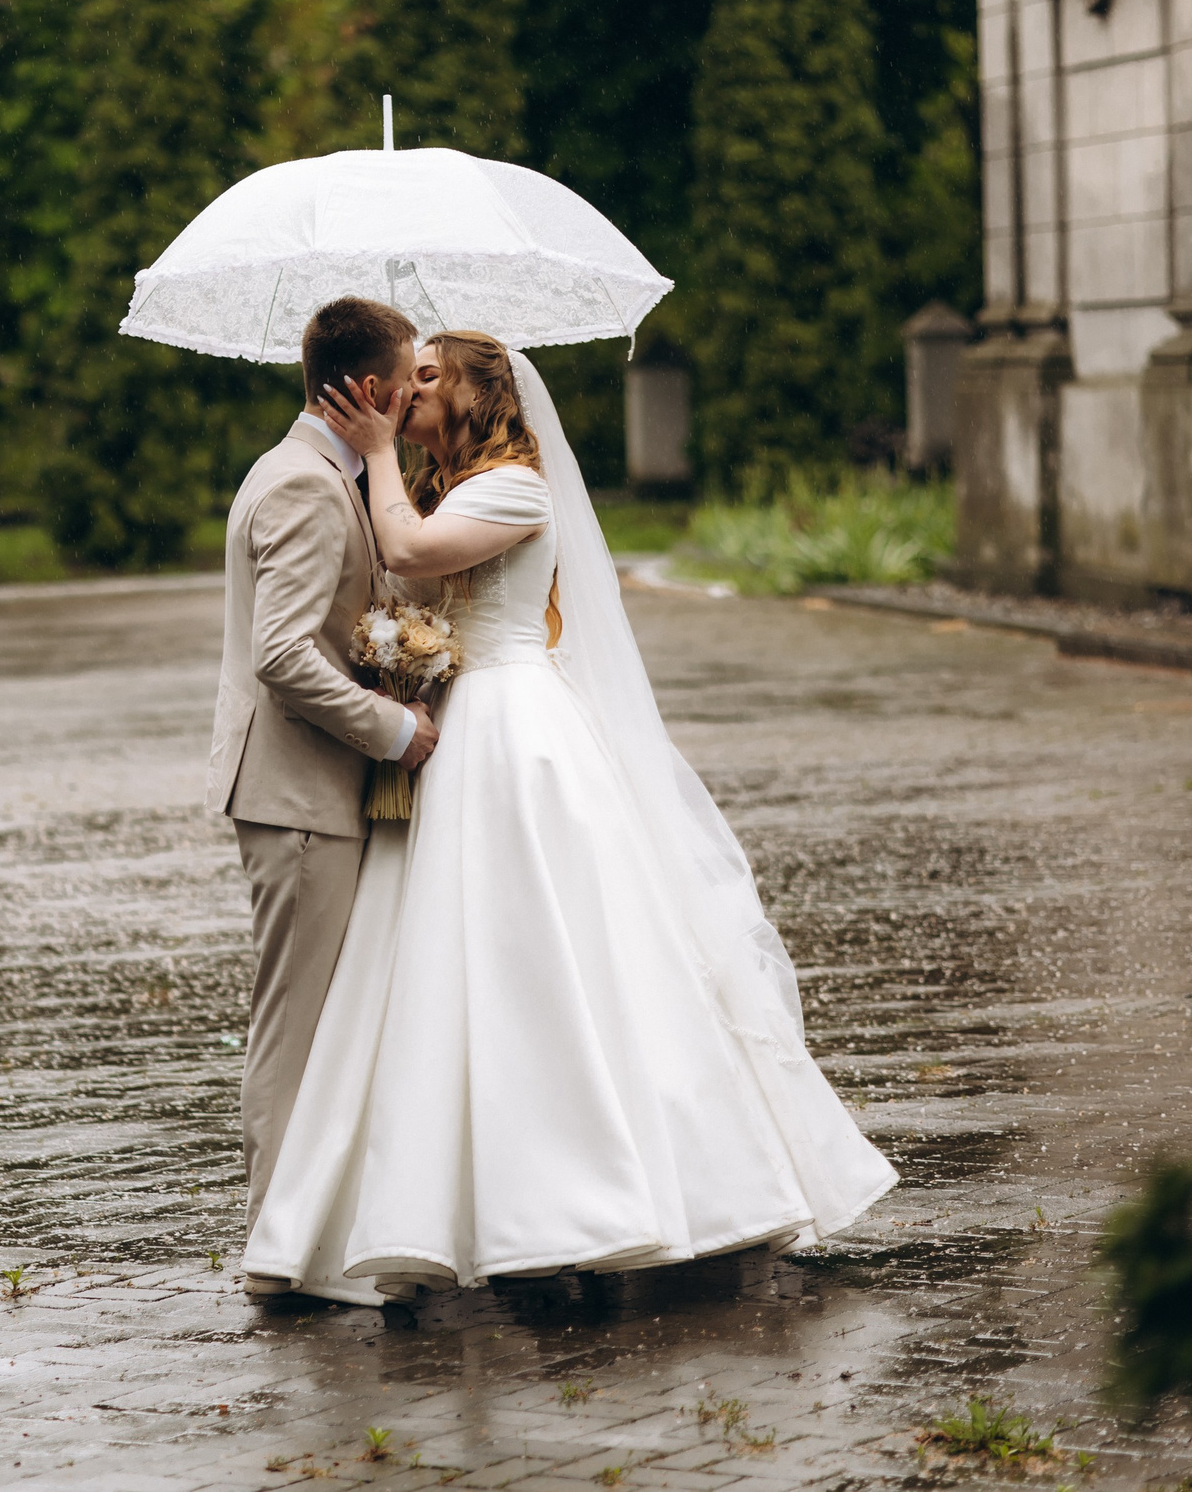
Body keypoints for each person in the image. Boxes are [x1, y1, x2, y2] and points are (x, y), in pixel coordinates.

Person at [240, 331, 896, 1304]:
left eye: (429, 380)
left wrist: (375, 456)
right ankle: (440, 1208)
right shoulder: (442, 487)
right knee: (447, 971)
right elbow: (403, 570)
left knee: (552, 955)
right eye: (404, 379)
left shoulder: (517, 486)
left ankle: (607, 1200)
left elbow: (411, 552)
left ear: (476, 394)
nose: (409, 395)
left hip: (519, 736)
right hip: (458, 735)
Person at [209, 297, 441, 1290]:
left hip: (304, 796)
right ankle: (276, 1256)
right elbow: (280, 655)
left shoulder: (310, 473)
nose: (415, 395)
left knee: (311, 1025)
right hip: (298, 798)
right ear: (371, 390)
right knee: (295, 1030)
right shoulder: (303, 484)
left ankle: (301, 1237)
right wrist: (394, 728)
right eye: (408, 379)